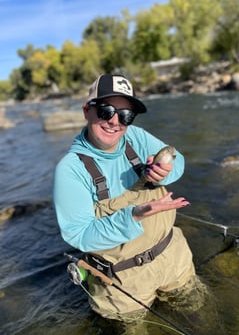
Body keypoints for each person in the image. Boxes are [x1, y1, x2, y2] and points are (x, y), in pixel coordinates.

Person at [53, 74, 210, 328]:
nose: (115, 122)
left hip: (173, 256)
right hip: (122, 281)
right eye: (106, 111)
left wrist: (166, 171)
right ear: (86, 110)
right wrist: (133, 216)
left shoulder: (136, 137)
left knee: (201, 316)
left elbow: (175, 157)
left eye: (126, 115)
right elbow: (78, 234)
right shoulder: (70, 170)